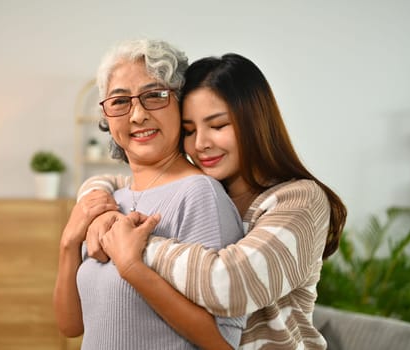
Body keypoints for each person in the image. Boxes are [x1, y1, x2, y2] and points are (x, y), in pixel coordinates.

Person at [77, 53, 347, 349]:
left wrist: (137, 245)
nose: (201, 143)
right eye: (190, 130)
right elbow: (116, 183)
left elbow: (230, 284)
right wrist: (100, 207)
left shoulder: (299, 200)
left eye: (218, 126)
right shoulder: (208, 189)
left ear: (255, 122)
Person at [53, 39, 246, 350]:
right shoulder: (112, 200)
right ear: (107, 117)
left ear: (180, 103)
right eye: (120, 102)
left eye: (154, 96)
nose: (137, 115)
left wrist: (133, 269)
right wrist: (67, 244)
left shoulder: (199, 194)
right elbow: (71, 326)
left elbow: (223, 343)